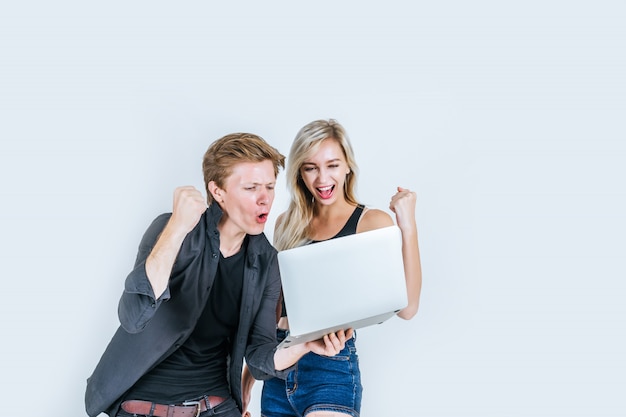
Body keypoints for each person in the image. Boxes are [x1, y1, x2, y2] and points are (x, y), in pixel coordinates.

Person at [85, 132, 353, 417]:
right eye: (251, 187)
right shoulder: (172, 230)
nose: (265, 200)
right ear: (218, 192)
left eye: (270, 187)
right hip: (142, 408)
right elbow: (133, 316)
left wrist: (304, 344)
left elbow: (260, 355)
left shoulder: (267, 261)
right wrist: (177, 228)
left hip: (216, 408)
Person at [241, 119, 422, 417]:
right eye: (310, 167)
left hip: (331, 364)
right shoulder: (287, 223)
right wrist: (249, 377)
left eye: (333, 165)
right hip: (280, 364)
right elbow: (274, 309)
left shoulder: (371, 223)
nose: (322, 178)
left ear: (348, 166)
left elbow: (408, 308)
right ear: (300, 172)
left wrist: (407, 225)